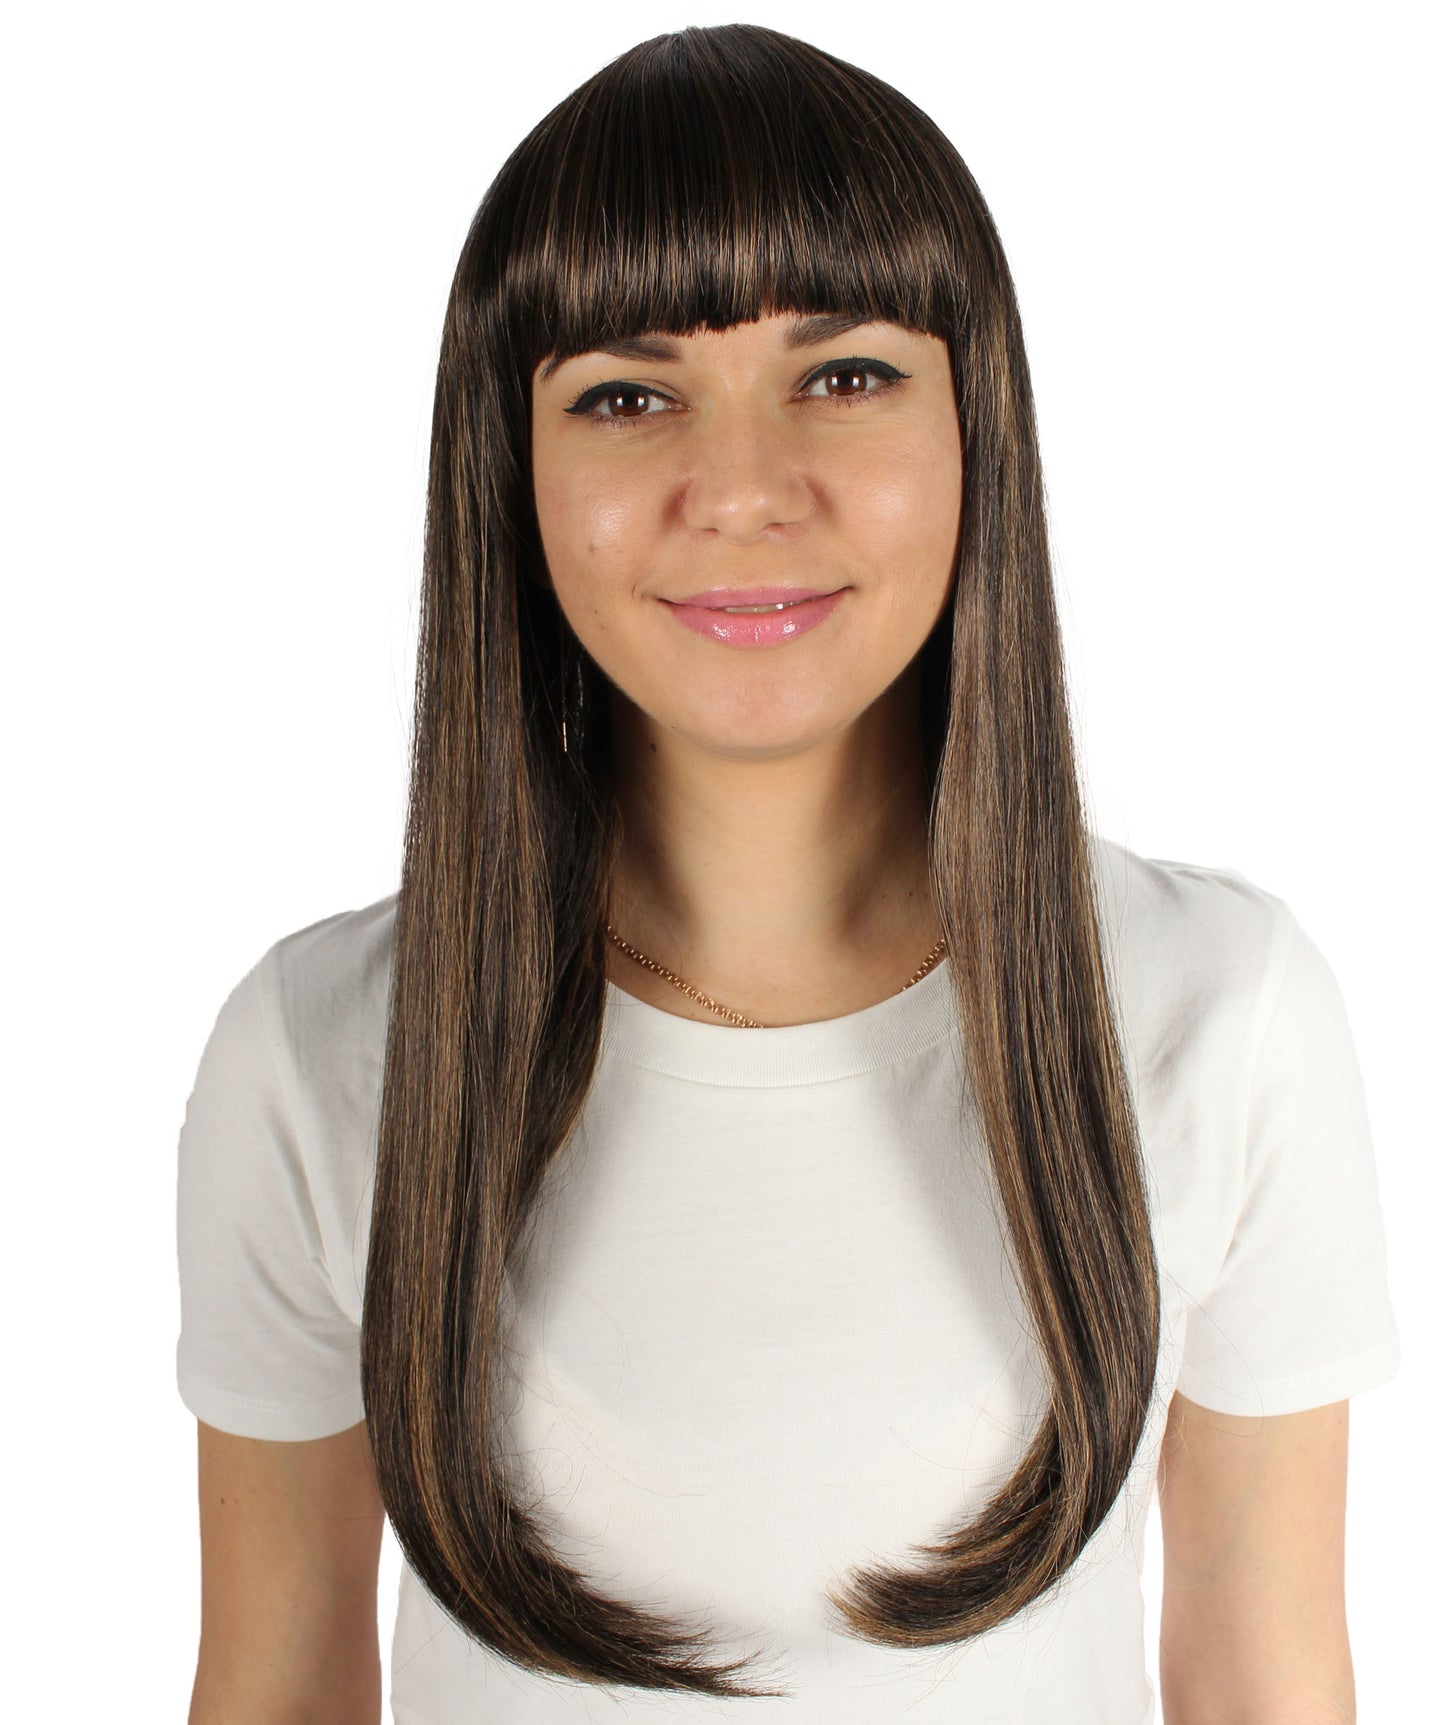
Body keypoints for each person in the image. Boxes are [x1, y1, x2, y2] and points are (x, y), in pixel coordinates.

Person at [175, 23, 1401, 1724]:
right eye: (626, 395)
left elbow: (1265, 1676)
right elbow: (276, 1680)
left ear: (977, 427)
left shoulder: (1221, 1011)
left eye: (843, 376)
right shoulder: (318, 1052)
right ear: (509, 474)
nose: (740, 491)